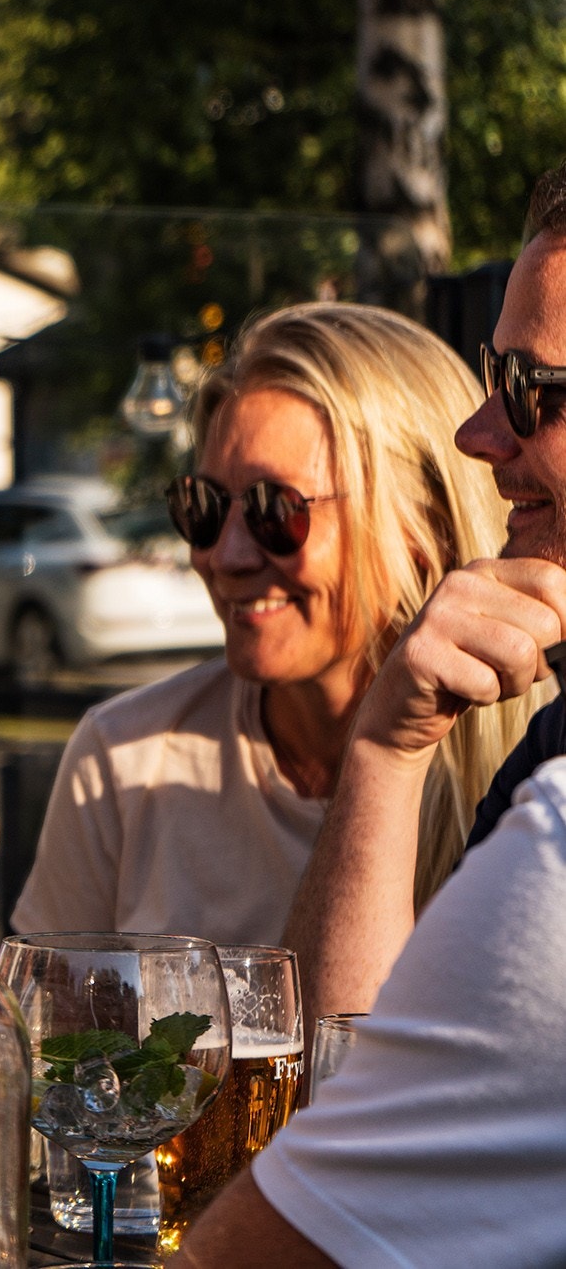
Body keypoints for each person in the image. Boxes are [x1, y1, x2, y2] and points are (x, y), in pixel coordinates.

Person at [176, 164, 566, 1267]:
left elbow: (307, 1204)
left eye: (530, 389)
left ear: (413, 521)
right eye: (202, 506)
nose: (481, 434)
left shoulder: (557, 826)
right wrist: (387, 753)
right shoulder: (548, 746)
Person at [11, 300, 539, 946]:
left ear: (422, 528)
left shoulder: (534, 760)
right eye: (203, 507)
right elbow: (44, 1008)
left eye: (276, 510)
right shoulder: (124, 759)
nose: (224, 557)